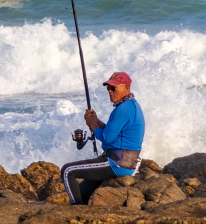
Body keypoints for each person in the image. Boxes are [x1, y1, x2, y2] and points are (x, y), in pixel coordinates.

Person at [61, 72, 145, 205]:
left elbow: (107, 138)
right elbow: (113, 132)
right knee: (83, 193)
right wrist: (96, 121)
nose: (110, 92)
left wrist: (93, 125)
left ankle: (76, 209)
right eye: (108, 89)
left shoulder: (122, 109)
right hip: (126, 163)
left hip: (116, 163)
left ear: (126, 88)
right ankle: (81, 205)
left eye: (114, 88)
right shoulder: (131, 106)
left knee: (67, 171)